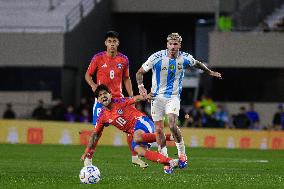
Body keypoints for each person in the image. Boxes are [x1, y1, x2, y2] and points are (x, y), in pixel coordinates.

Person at [136, 33, 222, 160]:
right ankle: (165, 158)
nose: (172, 46)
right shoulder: (157, 57)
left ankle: (182, 153)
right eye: (170, 44)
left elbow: (197, 63)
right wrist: (141, 87)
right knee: (159, 130)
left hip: (173, 97)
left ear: (179, 45)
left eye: (175, 44)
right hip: (156, 97)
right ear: (167, 44)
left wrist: (210, 72)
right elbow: (140, 72)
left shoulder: (185, 58)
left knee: (171, 124)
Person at [80, 84, 183, 174]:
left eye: (105, 93)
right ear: (98, 100)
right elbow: (95, 135)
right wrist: (87, 151)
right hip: (136, 133)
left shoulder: (119, 101)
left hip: (143, 122)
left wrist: (145, 96)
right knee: (139, 151)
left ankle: (169, 137)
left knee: (136, 137)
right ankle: (172, 162)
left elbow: (135, 98)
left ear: (110, 95)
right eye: (100, 95)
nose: (103, 96)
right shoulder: (102, 117)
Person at [84, 31, 147, 168]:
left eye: (114, 42)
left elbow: (126, 78)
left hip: (119, 99)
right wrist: (94, 86)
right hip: (102, 101)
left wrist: (131, 97)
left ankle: (134, 157)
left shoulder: (123, 59)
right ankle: (89, 157)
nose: (112, 44)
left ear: (118, 43)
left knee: (131, 128)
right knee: (97, 131)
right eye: (110, 41)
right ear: (105, 43)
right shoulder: (98, 58)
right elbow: (88, 75)